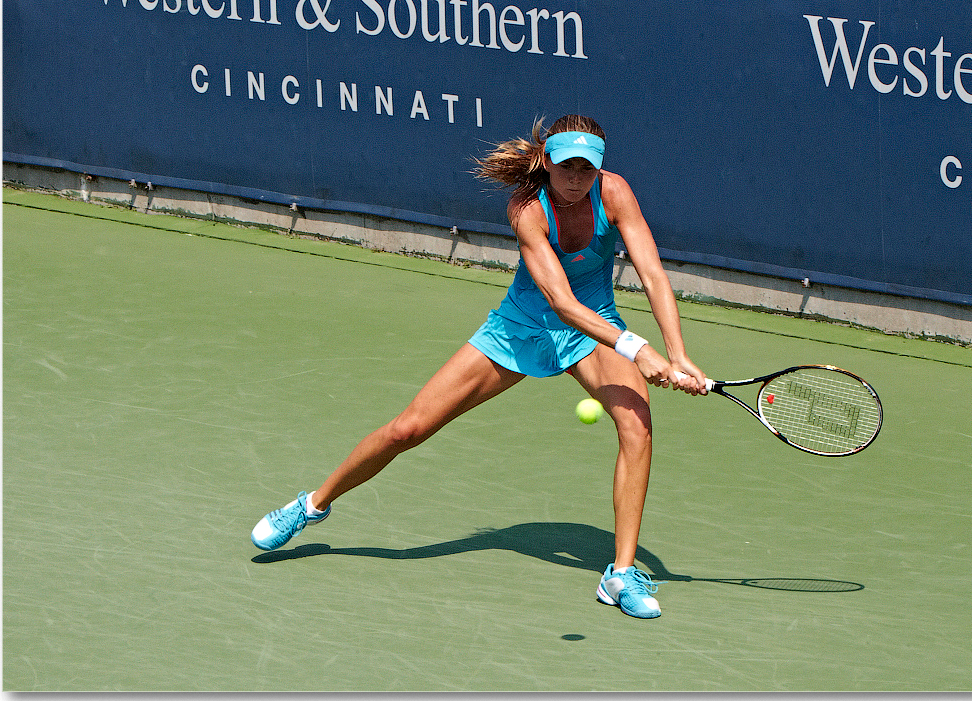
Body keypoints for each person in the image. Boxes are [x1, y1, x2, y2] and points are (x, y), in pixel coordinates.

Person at [250, 114, 707, 619]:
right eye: (568, 166)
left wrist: (678, 352)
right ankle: (311, 504)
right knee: (408, 428)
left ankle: (620, 574)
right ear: (547, 162)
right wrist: (638, 349)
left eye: (588, 167)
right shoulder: (526, 209)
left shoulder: (615, 193)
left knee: (637, 428)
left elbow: (653, 274)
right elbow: (558, 300)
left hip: (594, 325)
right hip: (521, 326)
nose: (577, 177)